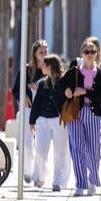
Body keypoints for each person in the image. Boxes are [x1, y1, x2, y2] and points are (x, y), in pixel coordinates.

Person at [60, 37, 101, 195]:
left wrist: (86, 92)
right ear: (82, 53)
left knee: (93, 149)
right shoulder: (73, 71)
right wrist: (67, 90)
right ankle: (80, 184)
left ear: (96, 54)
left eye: (92, 52)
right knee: (77, 148)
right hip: (75, 112)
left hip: (93, 114)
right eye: (86, 52)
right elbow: (60, 86)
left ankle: (93, 180)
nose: (89, 54)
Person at [29, 54, 71, 191]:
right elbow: (37, 103)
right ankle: (39, 177)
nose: (41, 66)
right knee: (41, 150)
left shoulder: (63, 82)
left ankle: (58, 181)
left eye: (44, 64)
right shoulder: (42, 83)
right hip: (43, 120)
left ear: (50, 66)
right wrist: (32, 121)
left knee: (60, 151)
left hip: (59, 120)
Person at [12, 39, 49, 113]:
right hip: (28, 110)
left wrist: (39, 88)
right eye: (41, 52)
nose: (44, 55)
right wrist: (23, 96)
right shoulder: (26, 70)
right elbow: (15, 90)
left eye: (46, 52)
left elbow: (54, 90)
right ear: (35, 54)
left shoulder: (50, 70)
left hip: (45, 111)